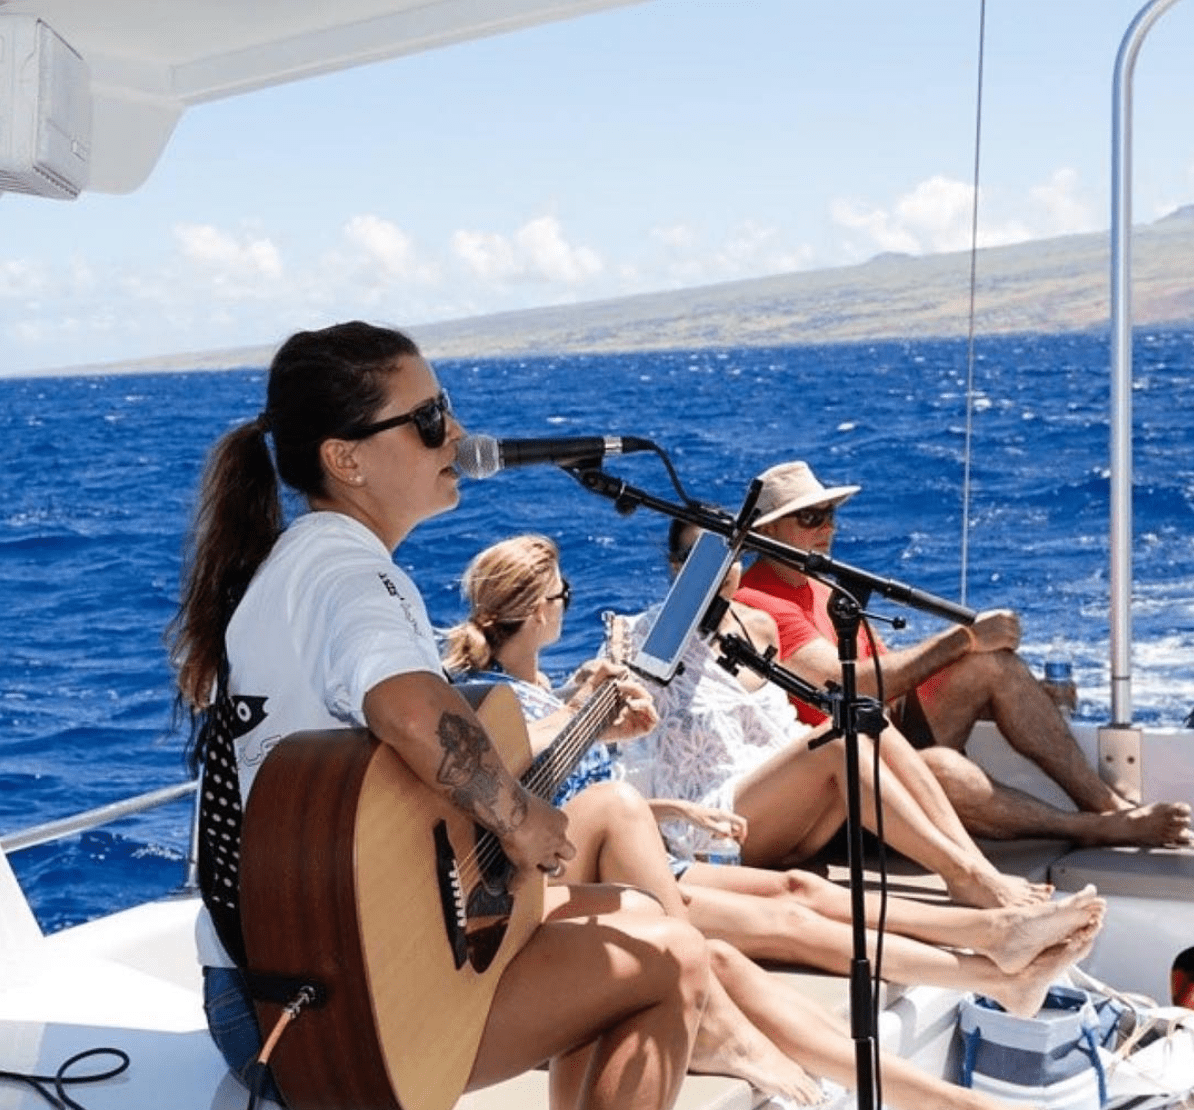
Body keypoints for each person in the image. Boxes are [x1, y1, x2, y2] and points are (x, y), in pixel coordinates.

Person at [168, 322, 713, 1110]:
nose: (456, 434)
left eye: (447, 409)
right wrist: (521, 818)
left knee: (625, 913)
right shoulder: (349, 571)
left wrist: (577, 731)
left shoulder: (302, 564)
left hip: (281, 979)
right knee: (675, 960)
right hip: (327, 1013)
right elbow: (410, 711)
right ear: (344, 459)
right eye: (428, 421)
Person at [442, 533, 1103, 1109]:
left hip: (627, 849)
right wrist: (587, 722)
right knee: (740, 944)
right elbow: (507, 779)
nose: (569, 603)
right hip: (575, 869)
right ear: (537, 610)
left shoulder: (545, 689)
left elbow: (566, 791)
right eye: (563, 594)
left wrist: (666, 806)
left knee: (801, 892)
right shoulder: (492, 699)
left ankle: (998, 952)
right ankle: (948, 1079)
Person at [734, 460, 1192, 847]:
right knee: (947, 770)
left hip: (883, 733)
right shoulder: (757, 600)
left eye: (830, 515)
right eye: (810, 519)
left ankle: (1109, 804)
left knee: (995, 666)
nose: (828, 529)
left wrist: (1014, 691)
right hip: (842, 786)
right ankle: (1093, 828)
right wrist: (963, 639)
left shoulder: (819, 584)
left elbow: (887, 673)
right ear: (767, 530)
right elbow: (848, 683)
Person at [620, 521, 1051, 910]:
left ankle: (976, 869)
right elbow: (618, 717)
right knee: (840, 736)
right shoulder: (646, 636)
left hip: (786, 812)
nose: (721, 571)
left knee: (866, 719)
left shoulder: (758, 627)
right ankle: (964, 876)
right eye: (701, 561)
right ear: (677, 568)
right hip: (716, 825)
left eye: (730, 555)